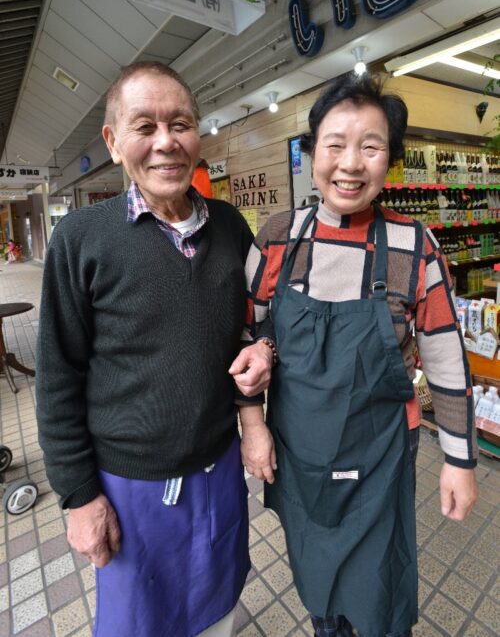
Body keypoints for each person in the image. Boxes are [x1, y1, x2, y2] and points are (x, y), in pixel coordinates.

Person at [36, 61, 274, 637]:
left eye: (181, 123)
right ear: (115, 143)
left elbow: (252, 324)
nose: (166, 142)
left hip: (217, 473)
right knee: (139, 623)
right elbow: (58, 374)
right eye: (144, 127)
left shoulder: (228, 226)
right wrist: (78, 496)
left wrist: (264, 350)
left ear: (198, 136)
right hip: (128, 485)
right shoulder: (81, 238)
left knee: (219, 610)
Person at [235, 73, 478, 637]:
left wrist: (461, 460)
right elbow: (247, 333)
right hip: (300, 450)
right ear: (311, 152)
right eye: (335, 144)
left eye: (370, 146)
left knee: (380, 594)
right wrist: (252, 422)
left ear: (388, 160)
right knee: (318, 584)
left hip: (382, 454)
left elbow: (445, 359)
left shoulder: (413, 246)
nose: (350, 163)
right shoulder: (278, 237)